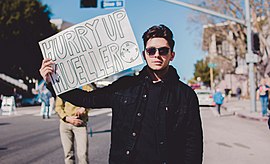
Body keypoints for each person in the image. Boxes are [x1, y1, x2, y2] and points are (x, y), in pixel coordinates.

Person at [39, 24, 203, 164]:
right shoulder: (125, 86)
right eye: (151, 50)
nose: (157, 55)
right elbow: (87, 98)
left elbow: (193, 144)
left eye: (163, 51)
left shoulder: (185, 95)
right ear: (144, 55)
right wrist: (52, 81)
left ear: (172, 55)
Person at [55, 84, 94, 164]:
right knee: (68, 154)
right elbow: (58, 107)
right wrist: (67, 118)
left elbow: (93, 99)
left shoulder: (86, 86)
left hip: (80, 123)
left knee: (83, 154)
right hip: (65, 123)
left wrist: (84, 108)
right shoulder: (64, 86)